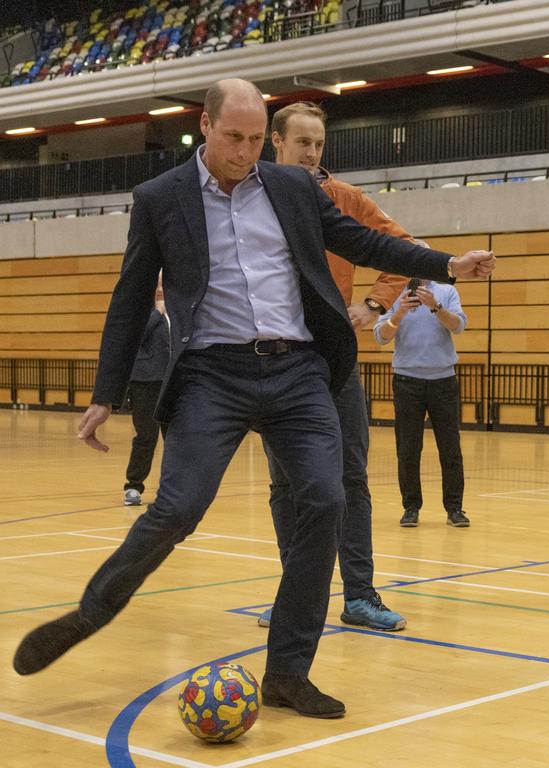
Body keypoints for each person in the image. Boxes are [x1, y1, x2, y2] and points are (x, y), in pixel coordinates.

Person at [12, 79, 496, 720]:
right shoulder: (161, 199)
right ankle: (90, 611)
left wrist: (445, 265)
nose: (244, 152)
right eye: (232, 137)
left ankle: (288, 672)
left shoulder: (295, 187)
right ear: (205, 127)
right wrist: (105, 394)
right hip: (213, 375)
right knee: (178, 509)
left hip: (298, 370)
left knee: (325, 498)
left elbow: (366, 242)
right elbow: (130, 299)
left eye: (252, 138)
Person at [257, 101, 409, 633]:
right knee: (285, 486)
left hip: (334, 362)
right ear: (276, 142)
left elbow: (402, 246)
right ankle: (297, 598)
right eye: (303, 142)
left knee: (351, 478)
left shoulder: (343, 200)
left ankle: (360, 595)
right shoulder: (251, 200)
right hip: (274, 363)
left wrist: (373, 304)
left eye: (319, 144)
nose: (312, 153)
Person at [374, 266, 469, 528]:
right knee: (407, 449)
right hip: (407, 381)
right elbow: (381, 337)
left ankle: (455, 509)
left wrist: (436, 307)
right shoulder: (395, 296)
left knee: (450, 448)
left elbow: (459, 326)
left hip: (443, 381)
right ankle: (411, 507)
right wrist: (400, 313)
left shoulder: (447, 291)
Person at [122, 277, 169, 506]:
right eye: (156, 285)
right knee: (146, 436)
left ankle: (173, 490)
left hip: (174, 382)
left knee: (177, 439)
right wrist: (158, 312)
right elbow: (136, 336)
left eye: (163, 285)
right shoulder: (142, 312)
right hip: (146, 382)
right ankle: (133, 485)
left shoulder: (179, 312)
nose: (160, 290)